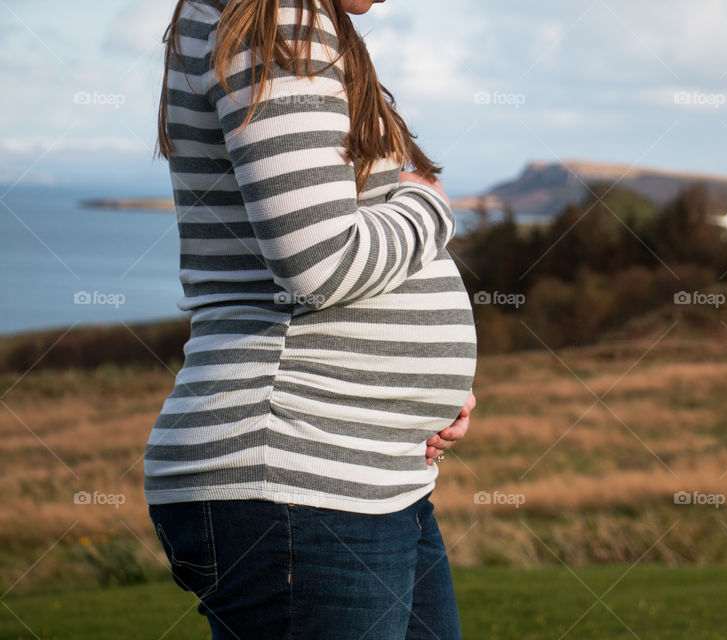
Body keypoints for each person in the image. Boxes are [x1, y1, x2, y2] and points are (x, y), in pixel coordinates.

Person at [143, 0, 478, 637]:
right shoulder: (271, 16)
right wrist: (431, 208)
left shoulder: (291, 21)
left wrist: (417, 393)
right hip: (298, 476)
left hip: (362, 473)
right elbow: (318, 264)